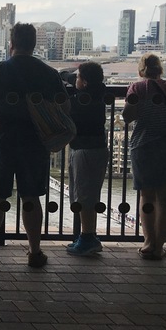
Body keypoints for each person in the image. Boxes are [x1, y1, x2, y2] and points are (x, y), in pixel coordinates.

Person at [0, 22, 68, 268]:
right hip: (36, 142)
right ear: (34, 45)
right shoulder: (49, 73)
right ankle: (35, 252)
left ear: (11, 44)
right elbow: (64, 108)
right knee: (31, 197)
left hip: (2, 141)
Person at [122, 53, 166, 261]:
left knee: (146, 197)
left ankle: (148, 243)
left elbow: (128, 116)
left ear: (141, 70)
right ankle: (159, 246)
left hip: (143, 145)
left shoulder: (137, 88)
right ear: (160, 69)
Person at [63, 62, 109, 257]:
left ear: (86, 81)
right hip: (98, 149)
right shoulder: (99, 93)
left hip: (84, 151)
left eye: (79, 77)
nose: (76, 79)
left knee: (83, 195)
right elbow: (71, 78)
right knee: (90, 192)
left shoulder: (79, 100)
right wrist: (69, 77)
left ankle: (87, 237)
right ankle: (88, 236)